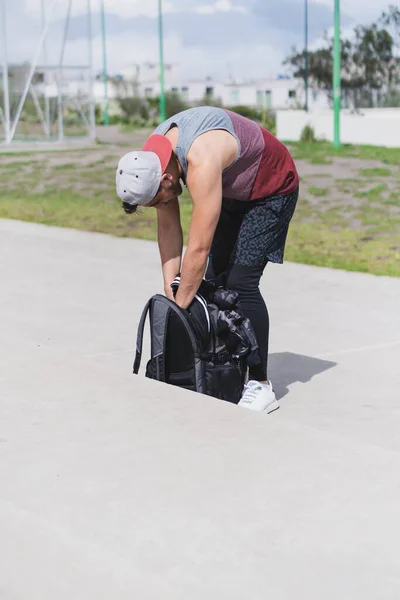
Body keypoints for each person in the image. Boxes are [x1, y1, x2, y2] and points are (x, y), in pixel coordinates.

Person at [116, 106, 299, 413]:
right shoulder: (152, 159)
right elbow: (170, 229)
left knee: (241, 283)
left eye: (161, 199)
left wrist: (179, 308)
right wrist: (171, 290)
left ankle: (260, 384)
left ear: (166, 178)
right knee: (213, 283)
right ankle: (227, 368)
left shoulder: (199, 159)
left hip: (272, 188)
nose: (163, 205)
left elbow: (198, 249)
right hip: (232, 189)